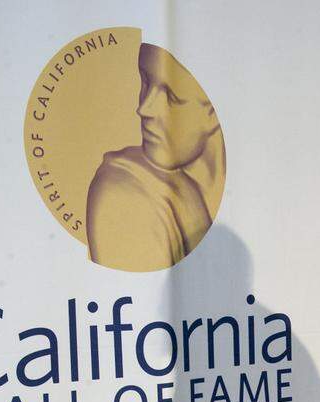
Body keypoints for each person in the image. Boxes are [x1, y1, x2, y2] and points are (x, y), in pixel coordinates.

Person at [86, 43, 226, 271]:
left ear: (212, 111)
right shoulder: (121, 192)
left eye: (172, 97)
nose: (144, 109)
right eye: (145, 81)